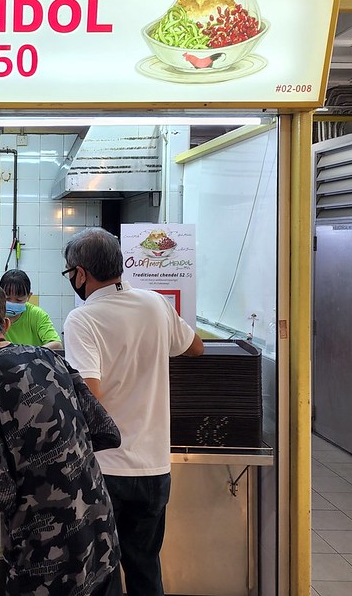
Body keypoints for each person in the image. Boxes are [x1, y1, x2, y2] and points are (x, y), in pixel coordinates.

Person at [0, 277, 123, 596]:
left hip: (45, 549)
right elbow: (106, 431)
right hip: (100, 531)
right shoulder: (52, 358)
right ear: (6, 322)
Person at [62, 227, 204, 596]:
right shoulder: (155, 303)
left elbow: (89, 399)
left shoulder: (83, 319)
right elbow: (196, 348)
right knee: (145, 567)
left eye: (69, 273)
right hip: (155, 468)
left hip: (108, 469)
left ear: (81, 273)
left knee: (102, 572)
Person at [0, 269, 62, 351]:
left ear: (29, 296)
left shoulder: (37, 315)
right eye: (7, 299)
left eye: (19, 300)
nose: (12, 303)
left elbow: (57, 345)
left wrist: (30, 353)